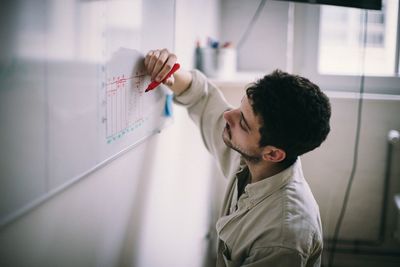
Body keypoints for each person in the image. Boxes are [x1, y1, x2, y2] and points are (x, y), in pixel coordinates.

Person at [144, 48, 331, 267]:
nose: (227, 115)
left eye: (242, 122)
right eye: (239, 107)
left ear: (272, 153)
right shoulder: (254, 158)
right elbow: (202, 97)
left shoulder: (283, 237)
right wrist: (167, 71)